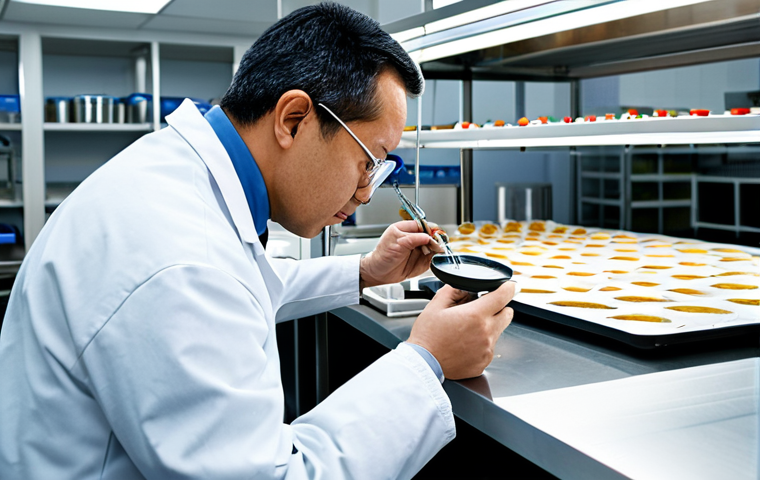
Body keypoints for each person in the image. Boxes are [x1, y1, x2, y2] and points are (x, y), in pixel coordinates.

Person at [0, 3, 515, 479]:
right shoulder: (182, 259)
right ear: (294, 119)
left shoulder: (179, 184)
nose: (365, 191)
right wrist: (427, 359)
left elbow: (240, 284)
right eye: (368, 161)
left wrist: (363, 272)